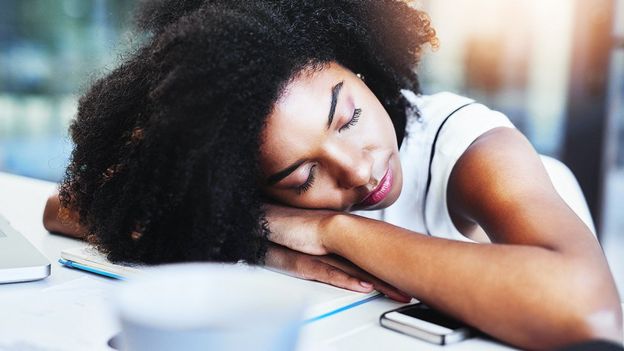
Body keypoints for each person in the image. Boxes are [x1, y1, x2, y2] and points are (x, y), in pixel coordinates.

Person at [43, 0, 622, 349]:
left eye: (347, 117)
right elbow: (69, 206)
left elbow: (587, 308)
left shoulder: (464, 141)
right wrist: (251, 234)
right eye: (301, 178)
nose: (359, 168)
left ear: (364, 68)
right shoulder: (247, 175)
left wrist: (329, 231)